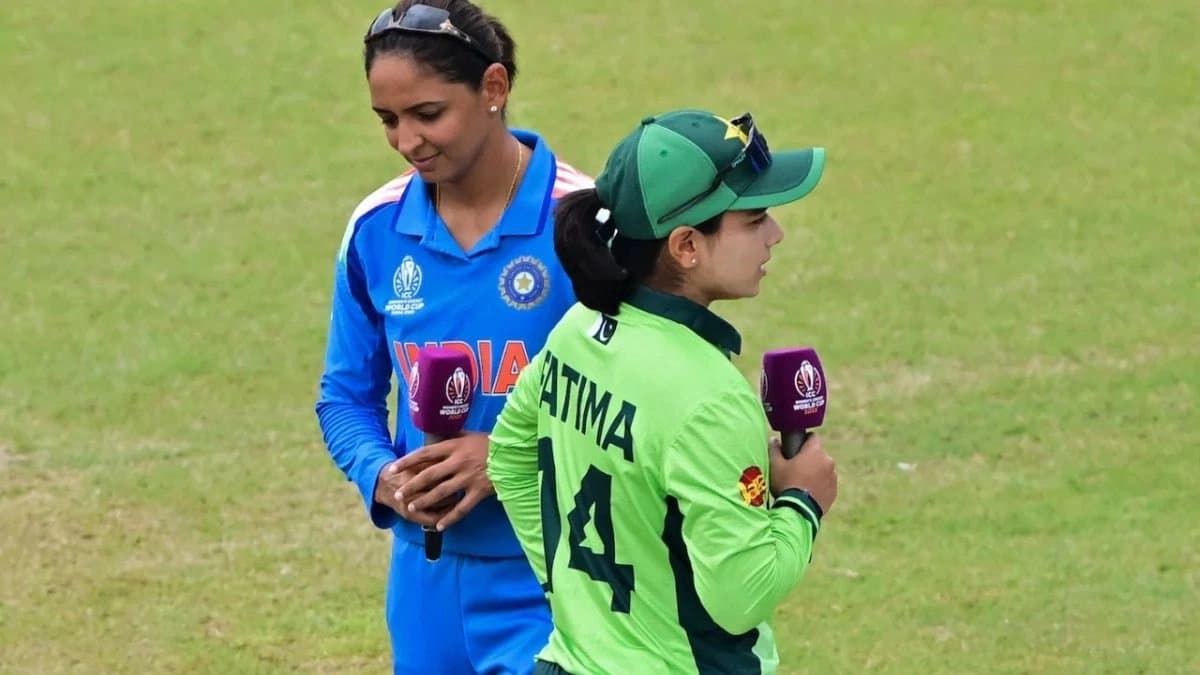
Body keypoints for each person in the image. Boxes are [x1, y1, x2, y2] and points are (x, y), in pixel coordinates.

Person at [488, 109, 840, 674]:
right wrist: (803, 501)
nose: (776, 234)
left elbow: (507, 459)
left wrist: (568, 593)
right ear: (686, 246)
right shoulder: (710, 400)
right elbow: (740, 596)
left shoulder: (576, 330)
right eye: (753, 219)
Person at [314, 2, 591, 673]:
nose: (407, 140)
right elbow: (344, 397)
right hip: (424, 583)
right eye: (388, 120)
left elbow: (637, 411)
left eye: (428, 114)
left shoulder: (581, 224)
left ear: (493, 89)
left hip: (558, 577)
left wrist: (504, 454)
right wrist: (382, 475)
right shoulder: (377, 229)